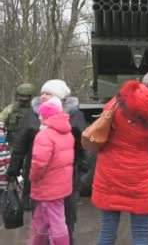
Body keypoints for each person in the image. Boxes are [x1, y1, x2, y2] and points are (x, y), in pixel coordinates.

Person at [92, 69, 148, 245]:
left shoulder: (120, 99)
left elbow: (103, 122)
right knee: (141, 232)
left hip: (109, 172)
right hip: (139, 177)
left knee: (107, 229)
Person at [7, 79, 87, 244]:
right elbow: (20, 144)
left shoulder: (75, 115)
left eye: (48, 93)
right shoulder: (32, 114)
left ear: (59, 97)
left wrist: (83, 169)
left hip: (67, 176)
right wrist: (13, 169)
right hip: (38, 175)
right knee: (40, 218)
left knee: (66, 218)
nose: (42, 96)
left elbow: (83, 145)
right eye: (42, 92)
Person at [29, 97, 74, 245]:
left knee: (56, 222)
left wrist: (33, 178)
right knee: (41, 218)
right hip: (62, 184)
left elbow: (39, 164)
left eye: (41, 115)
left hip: (47, 186)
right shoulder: (67, 132)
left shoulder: (44, 136)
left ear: (45, 116)